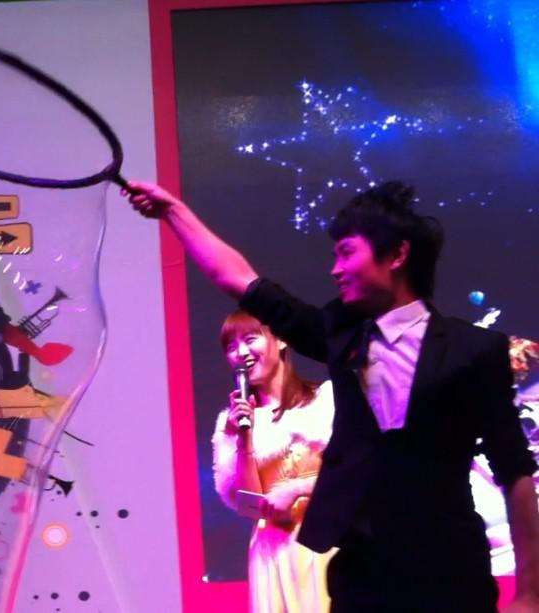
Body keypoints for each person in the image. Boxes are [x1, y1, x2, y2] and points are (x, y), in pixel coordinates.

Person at [126, 180, 539, 612]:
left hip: (451, 573)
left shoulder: (474, 350)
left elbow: (514, 469)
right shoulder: (342, 336)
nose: (335, 270)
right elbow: (239, 280)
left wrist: (530, 593)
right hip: (361, 577)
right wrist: (172, 211)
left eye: (346, 253)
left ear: (397, 255)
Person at [212, 310, 335, 612]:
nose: (241, 353)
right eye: (231, 346)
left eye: (250, 339)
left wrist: (297, 489)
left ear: (280, 339)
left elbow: (354, 473)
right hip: (275, 555)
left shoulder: (326, 401)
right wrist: (244, 437)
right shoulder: (231, 425)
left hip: (328, 539)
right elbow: (248, 504)